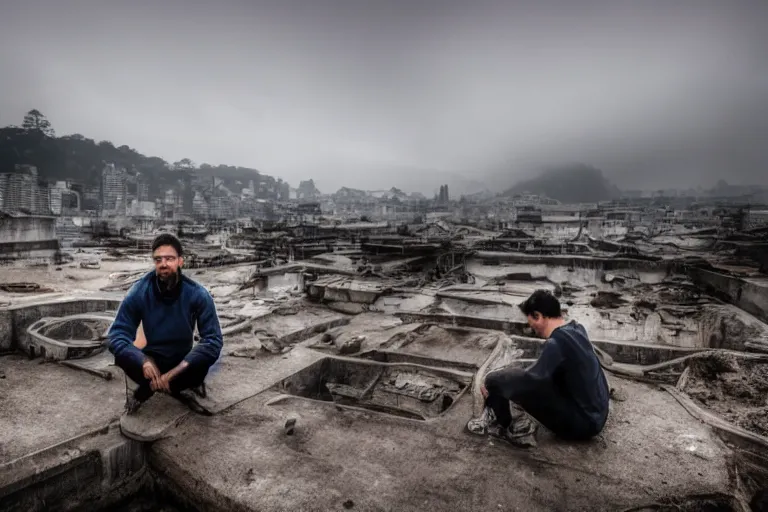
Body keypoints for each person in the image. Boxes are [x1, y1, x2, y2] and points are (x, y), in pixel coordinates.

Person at [469, 289, 609, 446]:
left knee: (495, 381)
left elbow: (531, 379)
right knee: (524, 376)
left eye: (532, 322)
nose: (532, 328)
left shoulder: (555, 344)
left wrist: (495, 381)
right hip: (599, 415)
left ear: (538, 315)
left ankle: (504, 425)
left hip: (583, 426)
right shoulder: (577, 329)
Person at [108, 233, 223, 414]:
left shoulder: (197, 293)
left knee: (202, 362)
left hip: (183, 362)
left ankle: (154, 388)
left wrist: (176, 370)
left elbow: (213, 340)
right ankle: (161, 385)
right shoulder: (139, 290)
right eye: (158, 259)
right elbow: (116, 335)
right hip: (152, 361)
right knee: (122, 356)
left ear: (180, 261)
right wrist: (143, 360)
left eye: (169, 259)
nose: (163, 264)